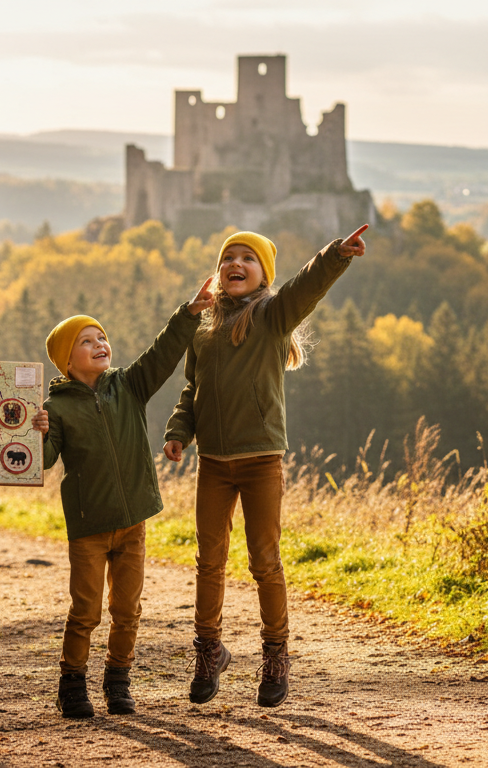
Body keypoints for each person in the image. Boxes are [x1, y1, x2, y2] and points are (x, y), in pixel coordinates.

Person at [162, 226, 367, 709]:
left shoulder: (273, 315)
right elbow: (192, 388)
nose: (235, 263)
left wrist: (335, 256)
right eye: (228, 257)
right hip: (213, 462)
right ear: (219, 271)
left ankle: (276, 656)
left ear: (263, 275)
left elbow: (305, 286)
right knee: (209, 561)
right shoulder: (203, 325)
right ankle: (209, 652)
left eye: (247, 258)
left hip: (260, 460)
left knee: (264, 561)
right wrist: (179, 431)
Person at [29, 276, 216, 718]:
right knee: (85, 612)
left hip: (133, 522)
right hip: (89, 527)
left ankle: (118, 681)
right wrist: (36, 433)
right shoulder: (56, 408)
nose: (100, 344)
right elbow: (45, 460)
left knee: (127, 610)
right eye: (86, 341)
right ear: (66, 360)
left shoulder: (129, 385)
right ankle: (72, 683)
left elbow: (162, 353)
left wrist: (189, 314)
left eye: (102, 337)